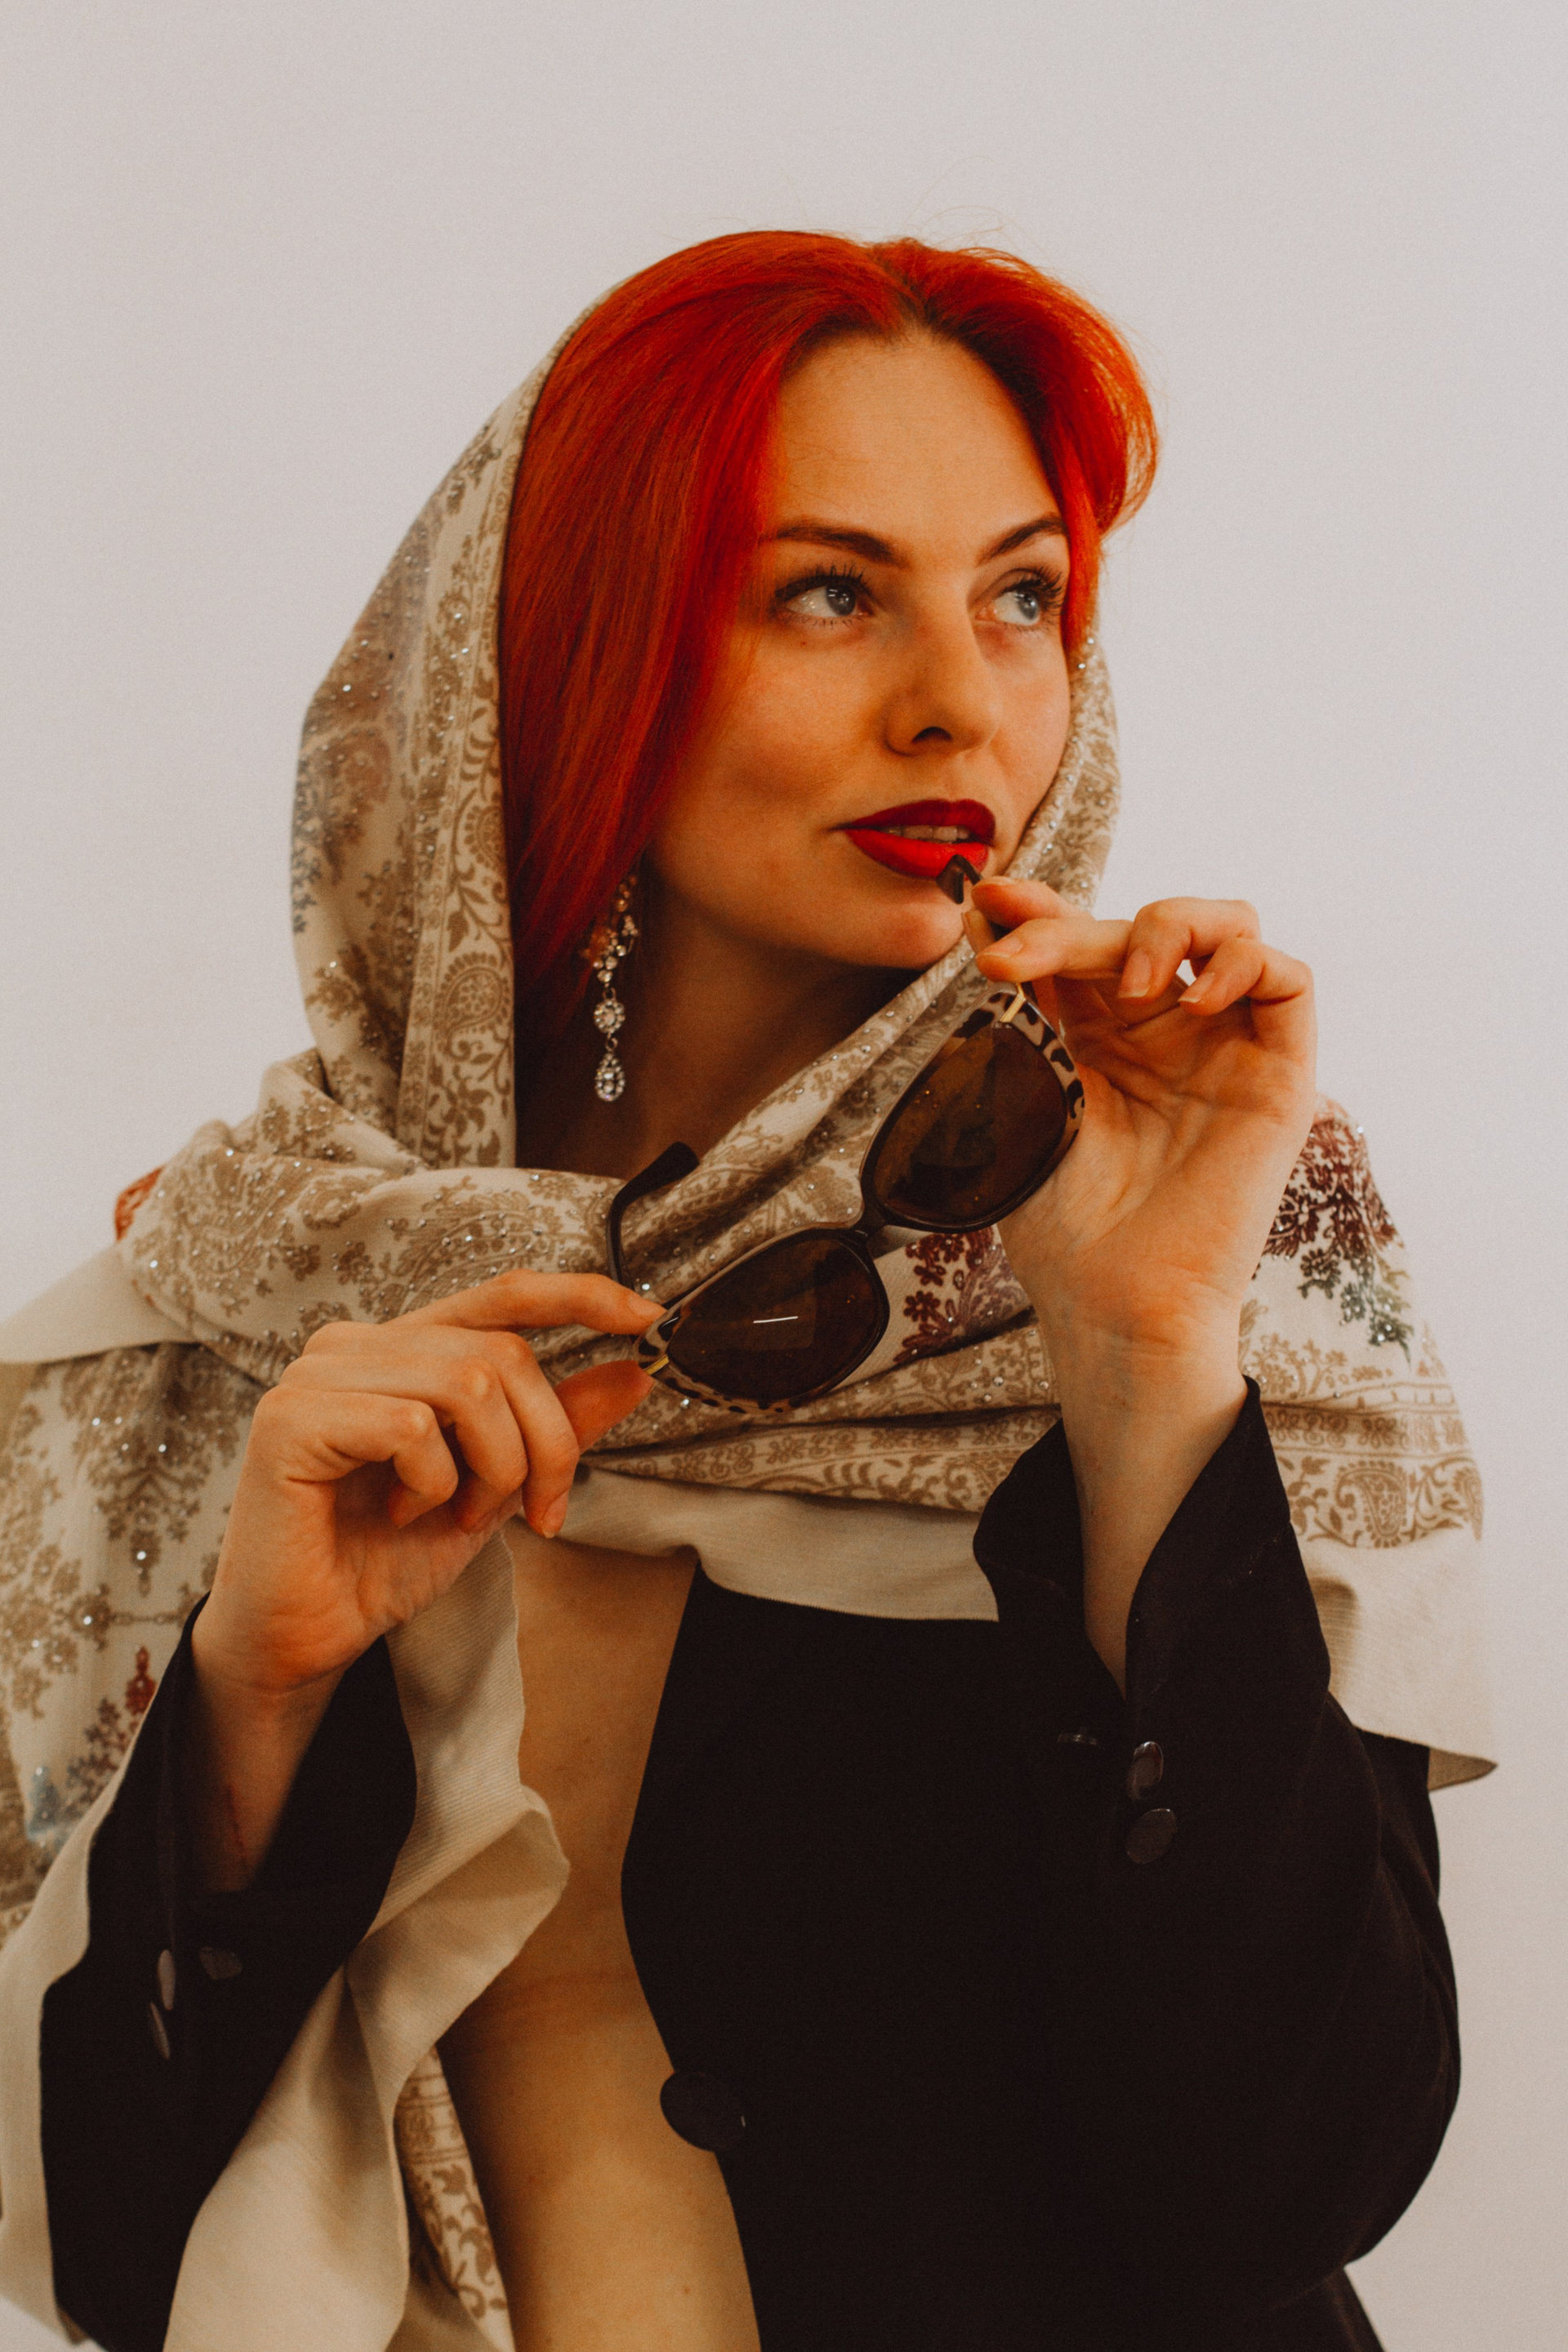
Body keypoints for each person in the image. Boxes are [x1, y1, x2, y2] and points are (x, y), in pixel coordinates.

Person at [0, 232, 1493, 2352]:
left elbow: (1298, 2170)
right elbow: (96, 2250)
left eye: (1024, 597)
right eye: (829, 593)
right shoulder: (226, 1335)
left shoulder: (1212, 1230)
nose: (963, 698)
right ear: (571, 667)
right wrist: (257, 1688)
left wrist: (1146, 1363)